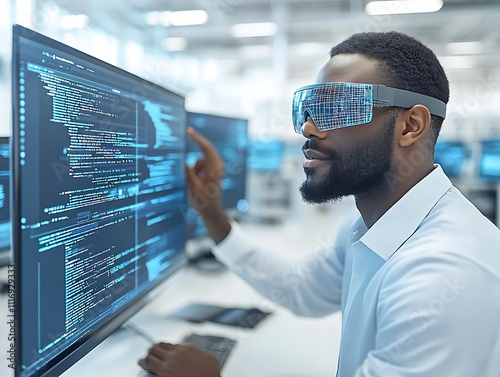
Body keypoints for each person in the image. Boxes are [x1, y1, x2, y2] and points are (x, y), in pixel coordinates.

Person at [138, 31, 500, 377]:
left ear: (411, 126)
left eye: (337, 109)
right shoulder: (372, 226)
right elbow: (299, 288)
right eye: (308, 111)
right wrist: (211, 213)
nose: (309, 128)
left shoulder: (444, 274)